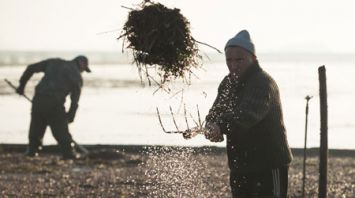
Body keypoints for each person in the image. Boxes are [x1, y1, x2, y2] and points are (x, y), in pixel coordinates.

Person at [204, 30, 293, 197]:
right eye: (229, 60)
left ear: (253, 58)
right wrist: (210, 126)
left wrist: (220, 126)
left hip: (269, 163)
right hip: (240, 165)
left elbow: (246, 116)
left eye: (239, 59)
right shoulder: (228, 82)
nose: (233, 65)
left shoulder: (262, 82)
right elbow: (215, 111)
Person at [16, 55, 91, 159]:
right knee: (62, 133)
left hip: (38, 100)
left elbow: (30, 68)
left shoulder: (54, 62)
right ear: (82, 64)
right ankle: (69, 154)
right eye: (84, 69)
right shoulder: (76, 76)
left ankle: (31, 152)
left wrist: (21, 86)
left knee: (36, 128)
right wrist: (70, 116)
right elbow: (75, 101)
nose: (83, 72)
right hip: (55, 104)